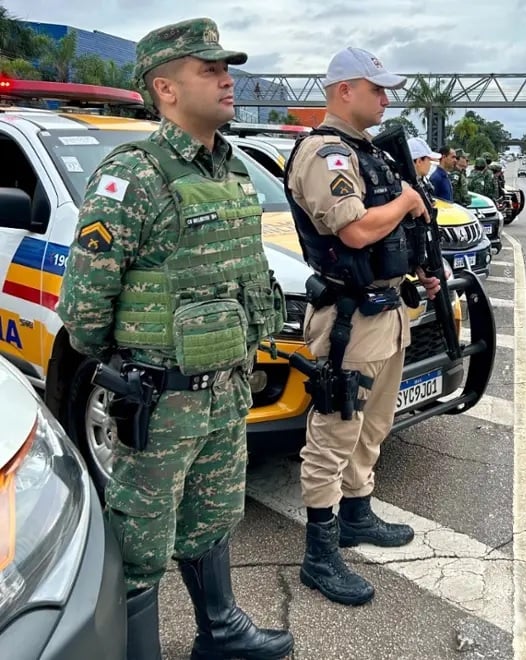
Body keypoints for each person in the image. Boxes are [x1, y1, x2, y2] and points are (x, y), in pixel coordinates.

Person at [57, 18, 293, 660]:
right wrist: (137, 364)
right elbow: (83, 310)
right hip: (162, 401)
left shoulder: (232, 169)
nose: (227, 80)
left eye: (226, 68)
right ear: (165, 87)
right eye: (209, 70)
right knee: (140, 542)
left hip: (227, 390)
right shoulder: (133, 176)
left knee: (213, 519)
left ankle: (221, 633)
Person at [284, 46, 440, 606]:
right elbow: (352, 231)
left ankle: (356, 514)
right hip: (350, 316)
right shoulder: (325, 152)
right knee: (334, 433)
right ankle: (319, 556)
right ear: (344, 90)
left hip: (386, 309)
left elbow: (391, 231)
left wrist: (420, 269)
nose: (386, 97)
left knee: (372, 426)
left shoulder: (367, 152)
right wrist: (404, 201)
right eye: (377, 89)